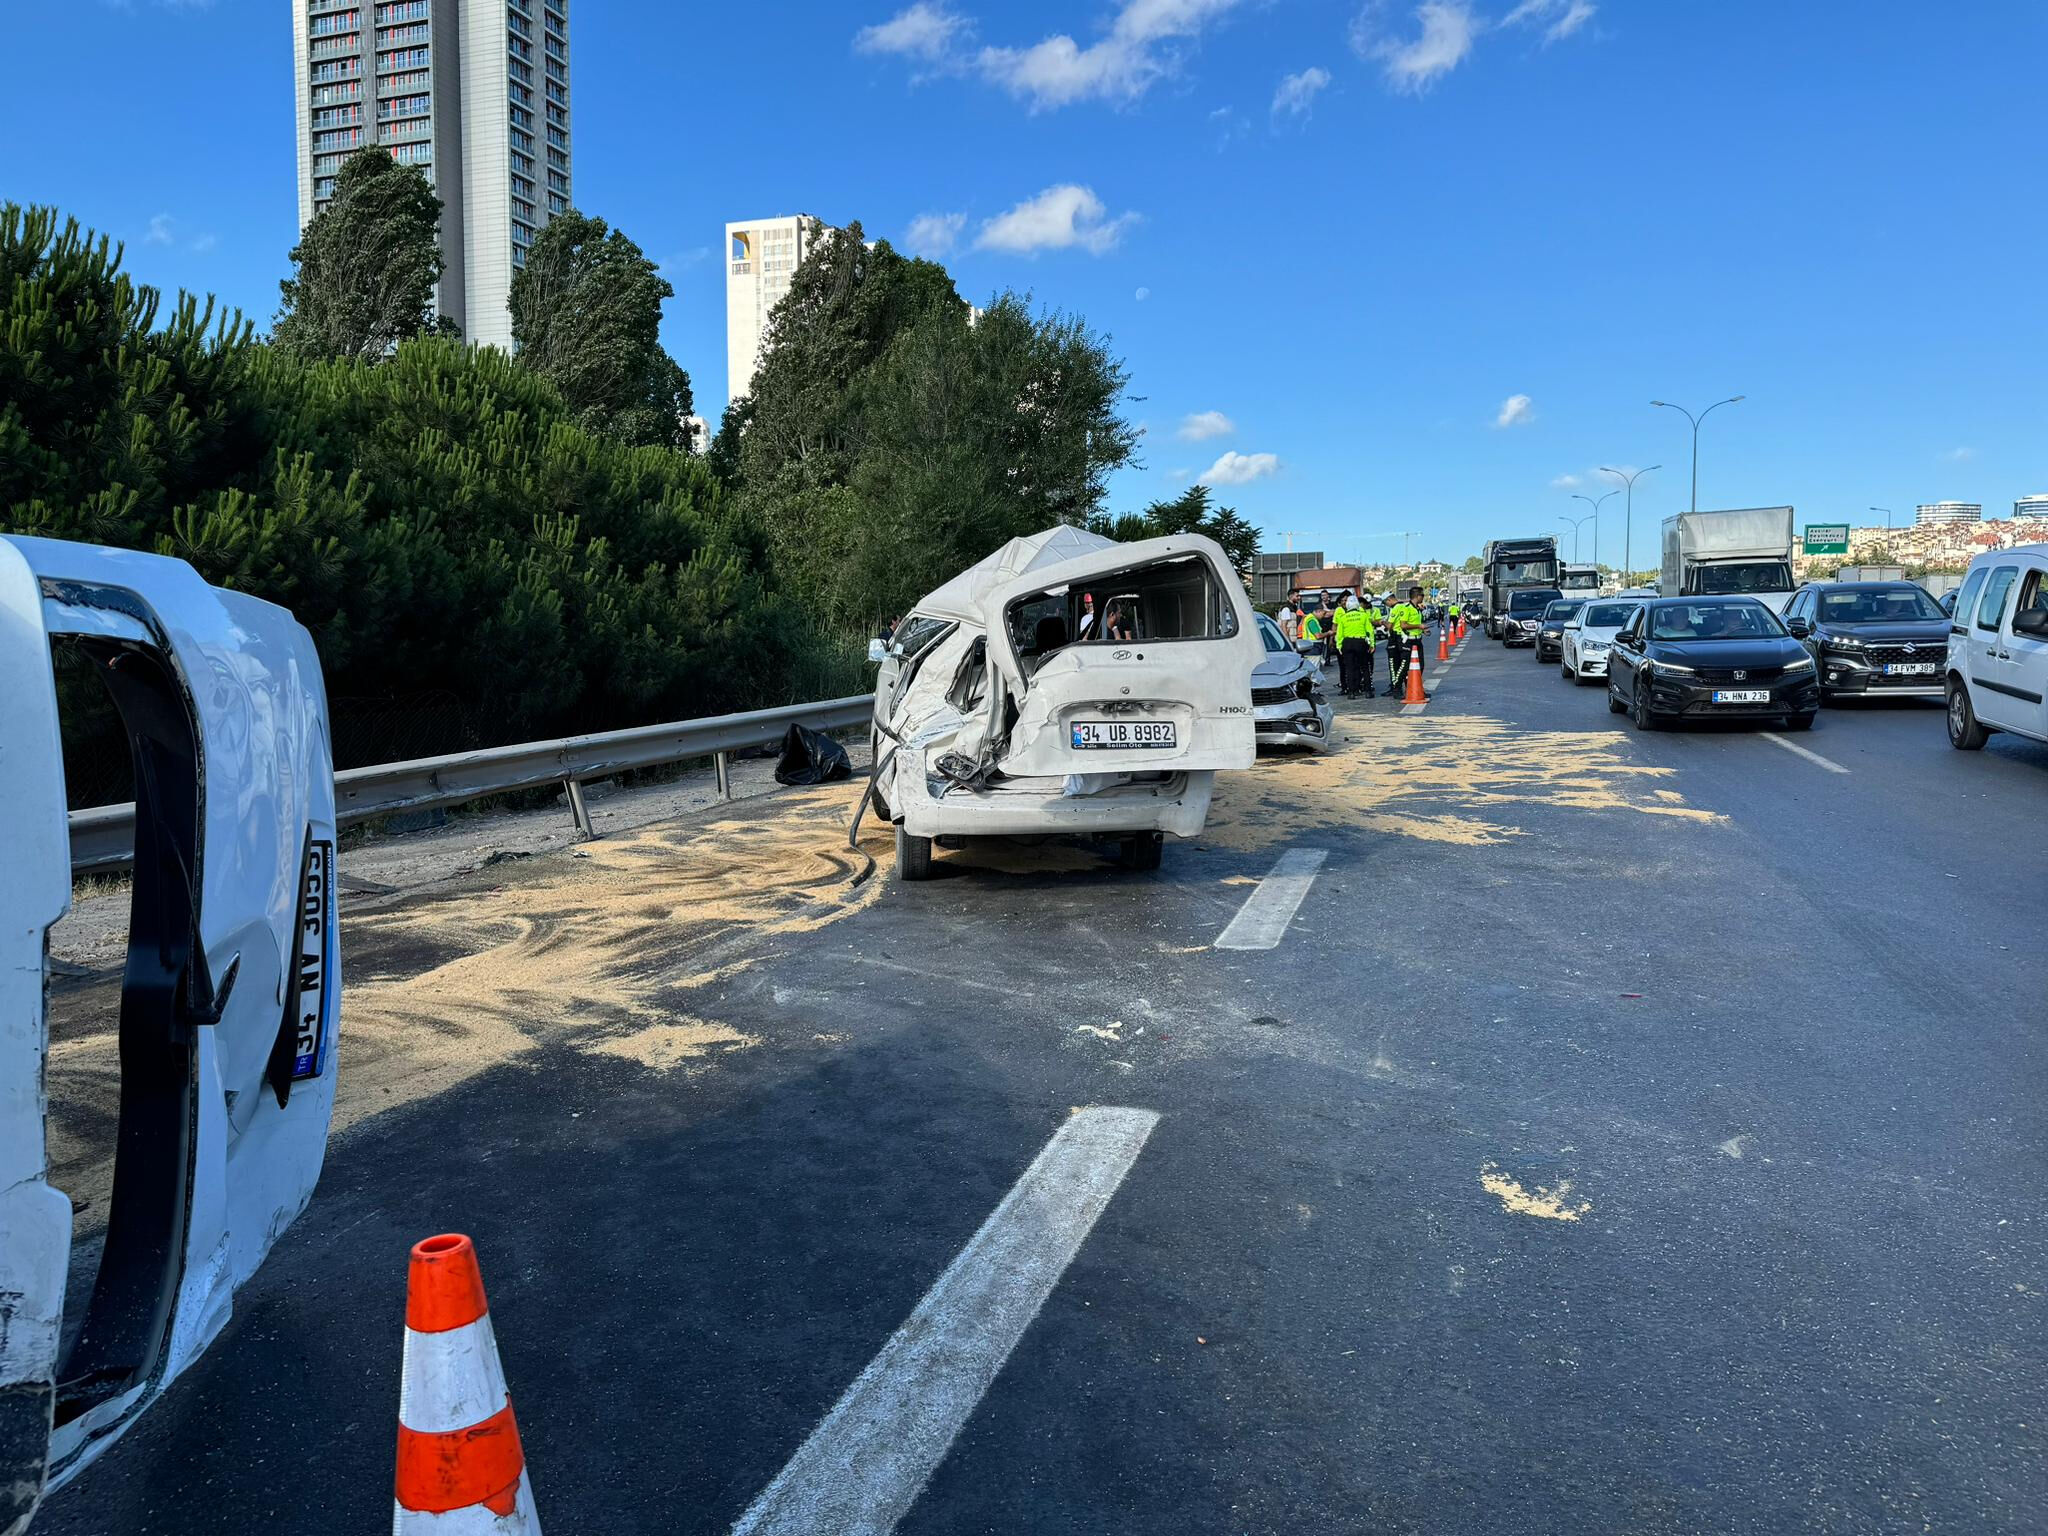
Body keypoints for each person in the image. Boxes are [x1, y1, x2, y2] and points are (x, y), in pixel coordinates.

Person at [1384, 587, 1425, 696]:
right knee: (1404, 666)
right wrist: (1419, 626)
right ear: (1418, 596)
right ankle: (1397, 687)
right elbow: (1403, 625)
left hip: (1405, 638)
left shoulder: (1402, 608)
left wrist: (1381, 622)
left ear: (1388, 600)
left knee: (1415, 666)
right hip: (1405, 639)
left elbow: (1390, 625)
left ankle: (1410, 688)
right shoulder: (1404, 607)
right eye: (1423, 595)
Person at [1333, 594, 1377, 698]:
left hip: (1347, 642)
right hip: (1360, 642)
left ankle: (1352, 692)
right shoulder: (1363, 616)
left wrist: (1339, 646)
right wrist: (1372, 644)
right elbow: (1369, 631)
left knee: (1349, 668)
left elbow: (1339, 634)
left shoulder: (1343, 618)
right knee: (1364, 667)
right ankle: (1368, 691)